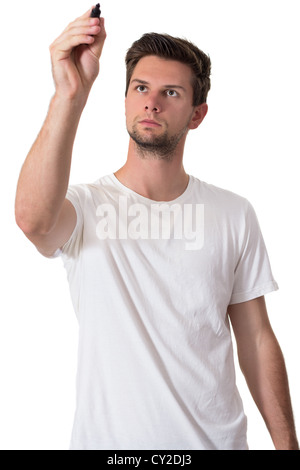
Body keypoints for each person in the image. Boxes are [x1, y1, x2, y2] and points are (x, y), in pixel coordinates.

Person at [15, 7, 298, 451]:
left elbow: (257, 338)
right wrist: (69, 94)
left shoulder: (233, 213)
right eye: (141, 88)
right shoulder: (84, 207)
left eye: (171, 93)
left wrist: (288, 446)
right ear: (126, 99)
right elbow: (32, 220)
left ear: (197, 114)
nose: (152, 102)